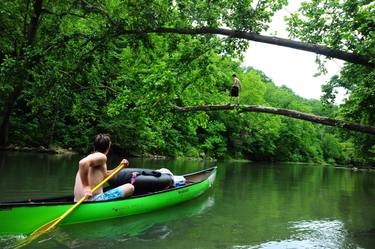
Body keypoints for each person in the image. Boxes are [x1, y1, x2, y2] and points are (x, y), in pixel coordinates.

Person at [73, 134, 134, 202]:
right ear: (109, 146)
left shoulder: (92, 157)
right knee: (130, 187)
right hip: (93, 200)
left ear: (94, 146)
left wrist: (120, 167)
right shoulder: (102, 156)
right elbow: (82, 163)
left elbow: (106, 175)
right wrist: (86, 187)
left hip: (76, 201)